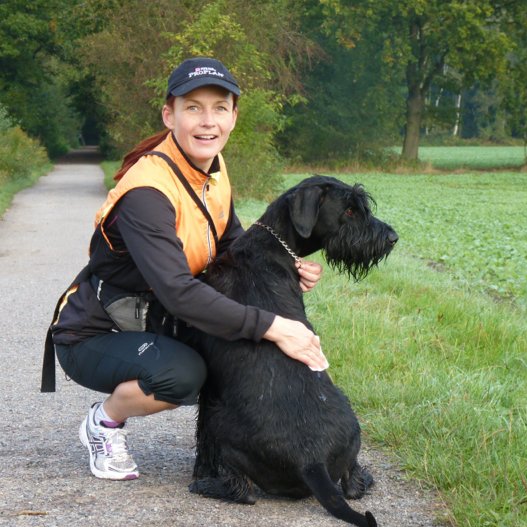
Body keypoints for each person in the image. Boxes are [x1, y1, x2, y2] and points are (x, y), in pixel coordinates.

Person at [48, 57, 326, 481]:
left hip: (154, 318)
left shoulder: (211, 168)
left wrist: (285, 269)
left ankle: (252, 447)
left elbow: (232, 245)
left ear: (234, 116)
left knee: (243, 346)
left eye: (219, 107)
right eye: (193, 107)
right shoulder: (147, 191)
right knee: (183, 374)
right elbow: (180, 292)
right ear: (169, 114)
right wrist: (274, 325)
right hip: (95, 333)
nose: (207, 121)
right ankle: (103, 423)